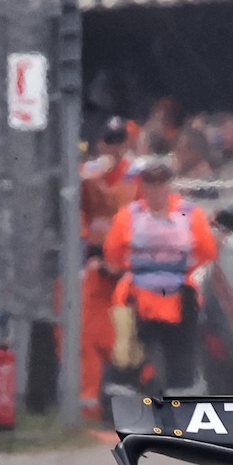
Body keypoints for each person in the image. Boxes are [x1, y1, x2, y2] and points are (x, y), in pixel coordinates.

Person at [103, 157, 217, 395]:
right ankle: (124, 401)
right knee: (126, 359)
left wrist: (179, 270)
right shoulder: (128, 216)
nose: (155, 188)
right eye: (149, 182)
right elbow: (113, 255)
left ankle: (179, 403)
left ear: (168, 184)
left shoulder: (190, 214)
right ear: (141, 185)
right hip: (137, 299)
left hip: (179, 299)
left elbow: (207, 252)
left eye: (160, 181)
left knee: (181, 364)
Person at [77, 118, 135, 420]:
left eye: (118, 140)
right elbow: (78, 214)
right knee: (90, 334)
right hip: (97, 263)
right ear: (100, 143)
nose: (114, 147)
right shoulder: (88, 175)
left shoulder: (137, 175)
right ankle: (89, 405)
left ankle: (128, 402)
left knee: (126, 338)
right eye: (109, 140)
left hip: (129, 269)